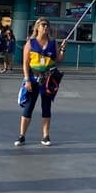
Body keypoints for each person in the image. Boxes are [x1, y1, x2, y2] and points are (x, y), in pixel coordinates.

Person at [15, 18, 65, 147]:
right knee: (29, 107)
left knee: (46, 107)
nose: (46, 27)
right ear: (37, 27)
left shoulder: (53, 43)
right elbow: (25, 64)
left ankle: (45, 136)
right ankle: (22, 136)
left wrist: (62, 49)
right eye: (43, 25)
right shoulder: (30, 43)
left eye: (47, 25)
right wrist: (27, 80)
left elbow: (59, 59)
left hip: (48, 79)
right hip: (33, 77)